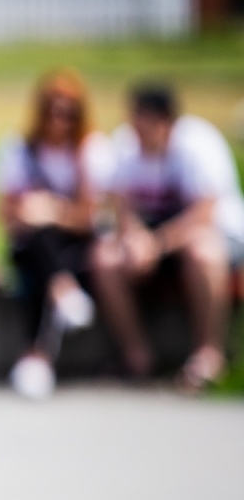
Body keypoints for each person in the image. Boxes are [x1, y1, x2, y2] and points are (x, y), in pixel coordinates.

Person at [92, 83, 244, 389]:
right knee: (104, 258)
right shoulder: (126, 143)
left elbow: (204, 214)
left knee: (202, 251)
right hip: (155, 243)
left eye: (144, 123)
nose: (137, 131)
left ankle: (208, 354)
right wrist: (134, 239)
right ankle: (137, 356)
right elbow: (121, 202)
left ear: (166, 122)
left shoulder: (199, 143)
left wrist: (157, 245)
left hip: (216, 238)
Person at [0, 69, 113, 399]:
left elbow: (91, 218)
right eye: (53, 112)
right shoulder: (20, 149)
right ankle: (63, 291)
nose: (61, 121)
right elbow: (2, 214)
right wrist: (30, 213)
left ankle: (36, 357)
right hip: (32, 243)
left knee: (42, 261)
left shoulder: (89, 151)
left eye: (69, 113)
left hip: (77, 243)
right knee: (39, 247)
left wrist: (53, 211)